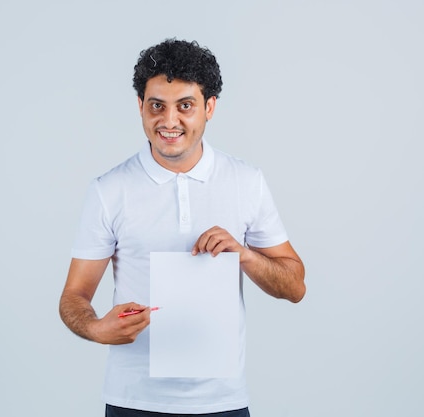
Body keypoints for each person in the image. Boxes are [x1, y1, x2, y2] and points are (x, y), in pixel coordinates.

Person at [59, 38, 305, 417]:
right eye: (157, 105)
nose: (169, 121)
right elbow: (74, 296)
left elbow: (295, 286)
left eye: (185, 106)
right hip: (133, 401)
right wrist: (96, 329)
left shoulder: (246, 181)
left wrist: (244, 255)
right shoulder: (109, 190)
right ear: (140, 107)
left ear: (209, 108)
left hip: (223, 403)